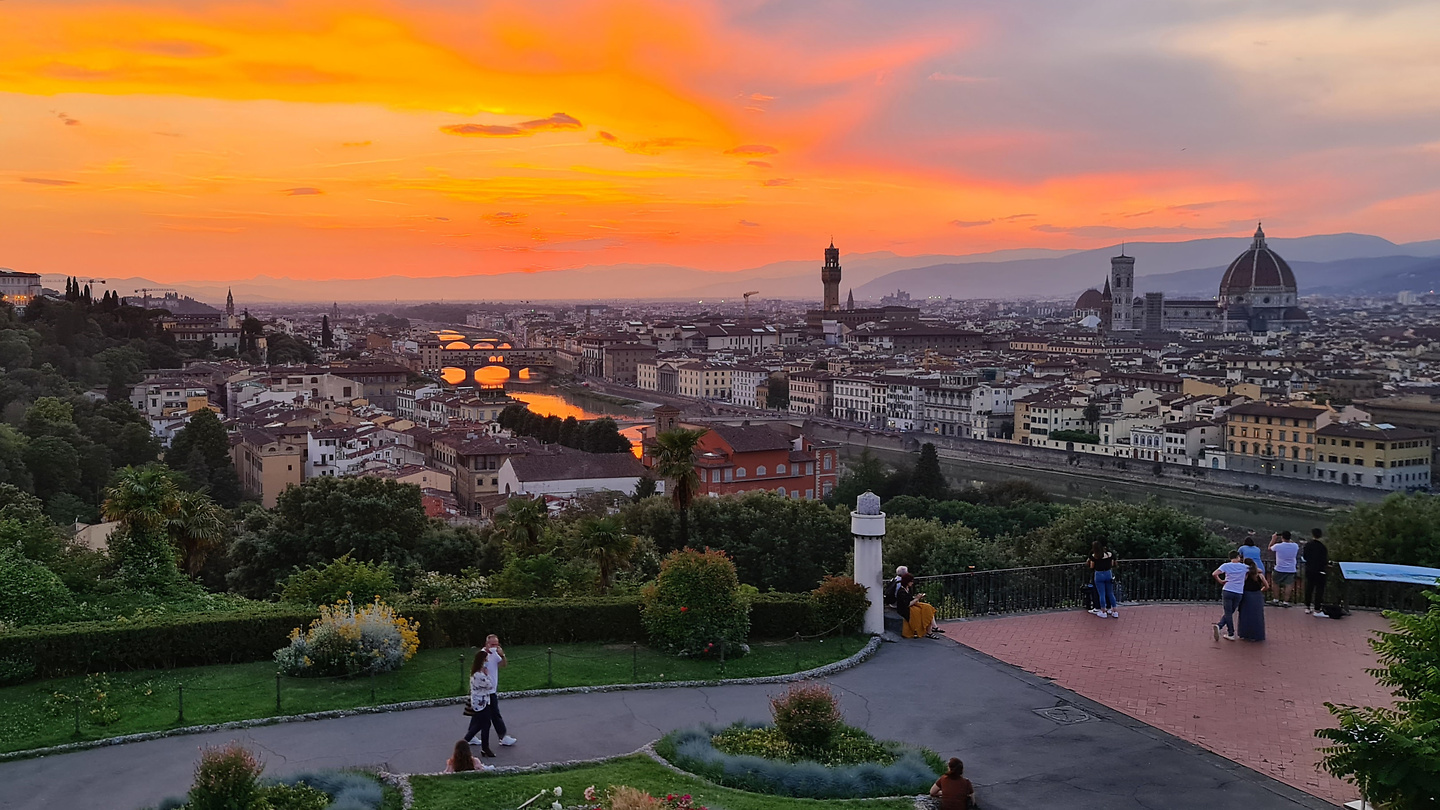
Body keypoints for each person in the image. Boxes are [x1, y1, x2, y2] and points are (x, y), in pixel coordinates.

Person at [472, 634, 518, 748]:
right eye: (492, 644)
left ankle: (470, 735)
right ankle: (503, 737)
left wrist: (502, 655)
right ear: (486, 644)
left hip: (491, 689)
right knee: (495, 714)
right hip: (485, 690)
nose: (495, 646)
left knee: (479, 714)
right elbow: (477, 670)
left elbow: (503, 665)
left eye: (497, 644)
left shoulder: (495, 653)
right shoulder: (482, 655)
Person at [462, 648, 497, 758]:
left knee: (480, 725)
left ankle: (479, 746)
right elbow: (490, 685)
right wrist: (487, 675)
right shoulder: (479, 675)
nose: (487, 662)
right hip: (481, 704)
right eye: (486, 659)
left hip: (483, 702)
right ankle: (468, 744)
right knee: (484, 724)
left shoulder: (476, 673)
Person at [1212, 551, 1248, 642]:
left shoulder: (1226, 565)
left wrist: (1221, 581)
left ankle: (1225, 629)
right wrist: (1245, 576)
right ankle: (1227, 631)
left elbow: (1214, 573)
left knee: (1228, 612)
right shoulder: (1244, 567)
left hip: (1227, 589)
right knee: (1231, 611)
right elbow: (1258, 570)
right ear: (1238, 557)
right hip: (1239, 591)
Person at [896, 573, 942, 639]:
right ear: (907, 581)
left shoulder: (908, 588)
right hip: (905, 609)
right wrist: (917, 599)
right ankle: (930, 630)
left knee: (928, 607)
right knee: (922, 612)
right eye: (911, 581)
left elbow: (910, 599)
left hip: (911, 605)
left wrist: (918, 597)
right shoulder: (901, 591)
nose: (912, 583)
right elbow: (907, 604)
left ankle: (931, 629)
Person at [1237, 558, 1268, 642]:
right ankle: (1257, 634)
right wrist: (1260, 591)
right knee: (1257, 615)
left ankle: (1245, 633)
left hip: (1247, 595)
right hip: (1257, 595)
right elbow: (1267, 586)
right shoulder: (1259, 575)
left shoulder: (1246, 575)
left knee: (1245, 615)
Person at [1268, 531, 1300, 606]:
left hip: (1279, 568)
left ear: (1282, 537)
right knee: (1288, 585)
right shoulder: (1295, 546)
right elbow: (1291, 542)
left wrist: (1273, 539)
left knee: (1275, 583)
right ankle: (1286, 602)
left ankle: (1276, 599)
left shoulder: (1278, 546)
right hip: (1291, 569)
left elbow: (1269, 548)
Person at [1303, 528, 1330, 617]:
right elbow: (1324, 560)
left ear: (1312, 534)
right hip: (1320, 571)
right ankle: (1317, 609)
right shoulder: (1323, 547)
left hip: (1309, 569)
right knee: (1319, 590)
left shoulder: (1308, 545)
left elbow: (1305, 556)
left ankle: (1307, 607)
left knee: (1309, 588)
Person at [1087, 541, 1118, 618]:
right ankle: (1114, 611)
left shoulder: (1094, 556)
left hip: (1099, 574)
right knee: (1110, 593)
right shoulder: (1109, 554)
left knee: (1102, 594)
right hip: (1108, 573)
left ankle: (1103, 611)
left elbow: (1091, 566)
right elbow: (1112, 563)